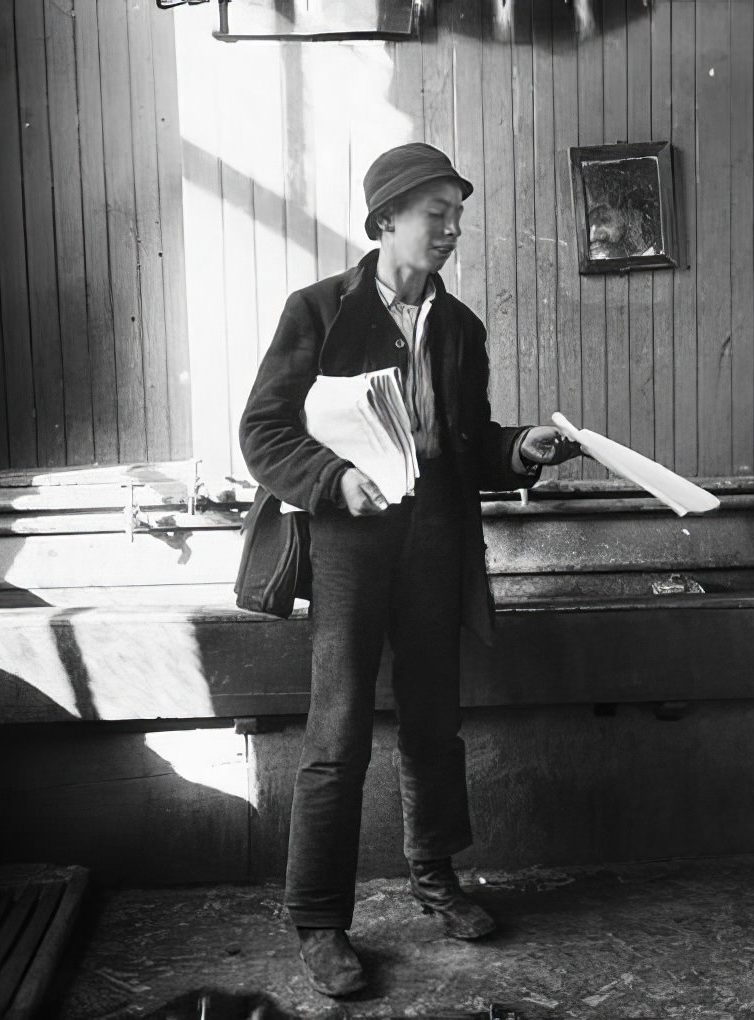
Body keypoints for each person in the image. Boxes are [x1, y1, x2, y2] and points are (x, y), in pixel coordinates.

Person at [236, 142, 581, 998]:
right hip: (351, 545)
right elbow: (263, 432)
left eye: (459, 213)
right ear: (387, 219)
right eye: (438, 213)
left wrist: (521, 449)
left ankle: (436, 880)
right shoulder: (318, 310)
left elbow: (469, 445)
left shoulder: (459, 328)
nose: (453, 228)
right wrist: (333, 480)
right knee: (339, 732)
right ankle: (319, 922)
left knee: (434, 723)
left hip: (433, 540)